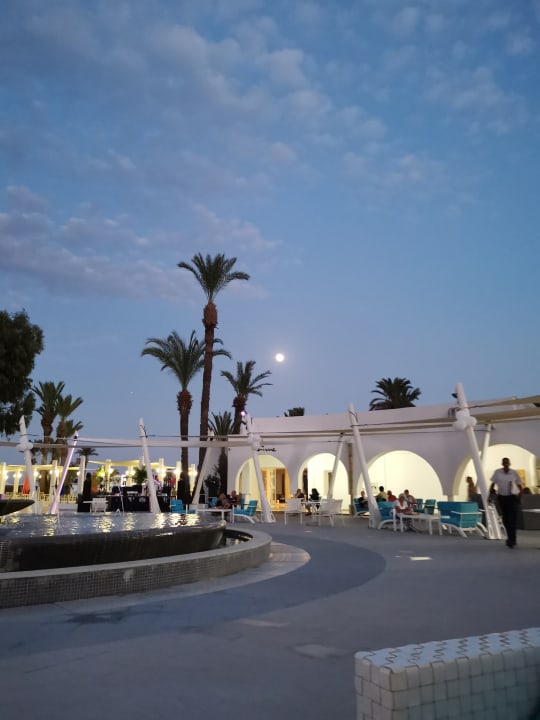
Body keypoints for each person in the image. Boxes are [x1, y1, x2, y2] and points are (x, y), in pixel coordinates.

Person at [489, 458, 522, 548]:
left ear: (509, 464)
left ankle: (512, 540)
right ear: (502, 464)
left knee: (512, 519)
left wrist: (519, 497)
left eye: (507, 463)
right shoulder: (497, 472)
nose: (506, 464)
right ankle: (510, 538)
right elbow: (492, 484)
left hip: (512, 498)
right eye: (504, 463)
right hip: (502, 498)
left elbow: (519, 485)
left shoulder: (514, 473)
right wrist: (490, 495)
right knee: (506, 519)